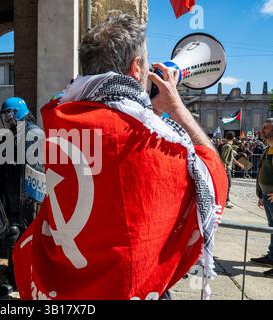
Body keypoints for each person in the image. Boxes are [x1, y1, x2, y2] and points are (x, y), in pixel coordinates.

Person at [12, 13, 228, 300]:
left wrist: (148, 114)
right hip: (125, 287)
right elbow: (213, 177)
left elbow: (114, 142)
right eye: (146, 64)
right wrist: (176, 108)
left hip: (66, 285)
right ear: (136, 66)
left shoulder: (59, 117)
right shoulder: (152, 138)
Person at [0, 97, 45, 296]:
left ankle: (15, 277)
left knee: (19, 235)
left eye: (9, 112)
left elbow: (31, 168)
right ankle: (19, 274)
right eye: (5, 113)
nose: (6, 117)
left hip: (26, 196)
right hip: (14, 193)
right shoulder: (15, 133)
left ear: (18, 112)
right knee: (16, 235)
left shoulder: (32, 133)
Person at [252, 119, 273, 277]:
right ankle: (271, 257)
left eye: (266, 128)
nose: (262, 130)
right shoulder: (268, 149)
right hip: (266, 195)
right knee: (272, 227)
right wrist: (261, 194)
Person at [220, 131, 245, 208]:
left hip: (226, 168)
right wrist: (225, 169)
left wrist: (238, 164)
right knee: (228, 185)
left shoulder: (226, 145)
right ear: (233, 138)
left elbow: (231, 157)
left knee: (227, 185)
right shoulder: (228, 146)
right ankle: (226, 201)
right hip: (226, 169)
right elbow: (224, 159)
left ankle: (224, 200)